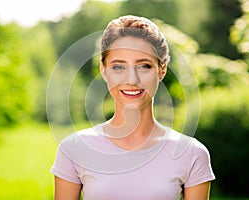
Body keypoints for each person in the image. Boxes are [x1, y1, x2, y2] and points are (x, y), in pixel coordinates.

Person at [51, 15, 215, 200]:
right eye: (118, 67)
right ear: (104, 70)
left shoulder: (192, 153)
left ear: (162, 70)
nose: (132, 80)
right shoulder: (74, 149)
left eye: (144, 66)